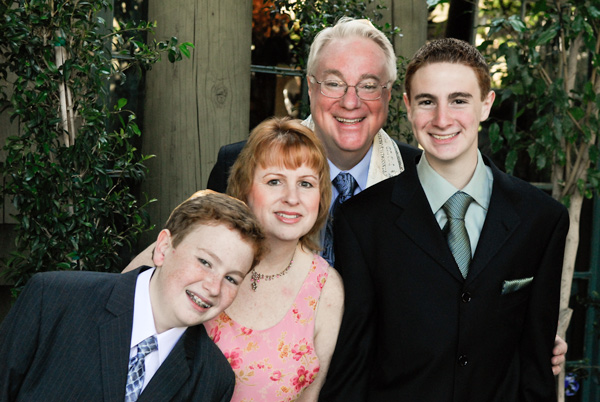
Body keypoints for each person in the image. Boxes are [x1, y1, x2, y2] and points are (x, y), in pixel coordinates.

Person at [204, 16, 568, 394]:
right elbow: (193, 266)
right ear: (310, 87)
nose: (350, 100)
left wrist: (524, 341)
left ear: (391, 97)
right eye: (333, 83)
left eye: (369, 85)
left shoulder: (426, 171)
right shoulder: (241, 167)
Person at [330, 37, 570, 401]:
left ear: (486, 105)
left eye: (459, 100)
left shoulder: (541, 218)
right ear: (408, 107)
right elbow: (352, 362)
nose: (442, 120)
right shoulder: (362, 221)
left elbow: (536, 366)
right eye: (427, 102)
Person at [126, 117, 344, 401]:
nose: (292, 198)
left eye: (306, 183)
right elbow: (114, 324)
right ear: (245, 188)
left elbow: (309, 397)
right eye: (275, 181)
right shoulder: (192, 243)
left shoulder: (326, 288)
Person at [0, 190, 266, 402]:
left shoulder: (213, 378)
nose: (213, 287)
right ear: (163, 248)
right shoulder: (54, 300)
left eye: (231, 278)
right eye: (205, 262)